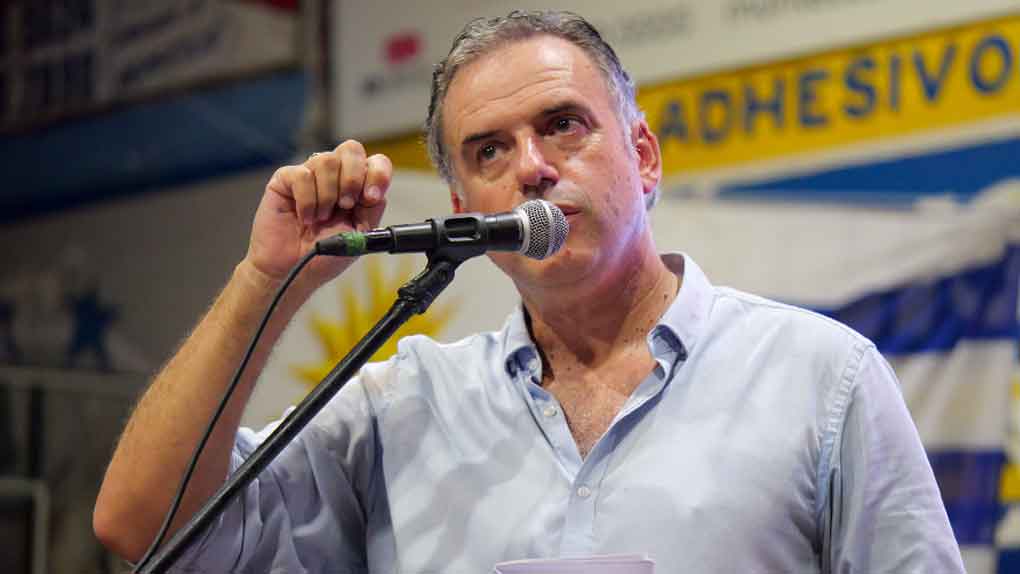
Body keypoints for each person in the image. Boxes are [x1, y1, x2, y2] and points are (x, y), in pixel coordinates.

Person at [94, 10, 965, 573]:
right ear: (464, 209)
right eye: (490, 151)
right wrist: (265, 282)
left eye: (563, 126)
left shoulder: (821, 378)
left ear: (644, 157)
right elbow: (142, 527)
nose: (533, 168)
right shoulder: (398, 410)